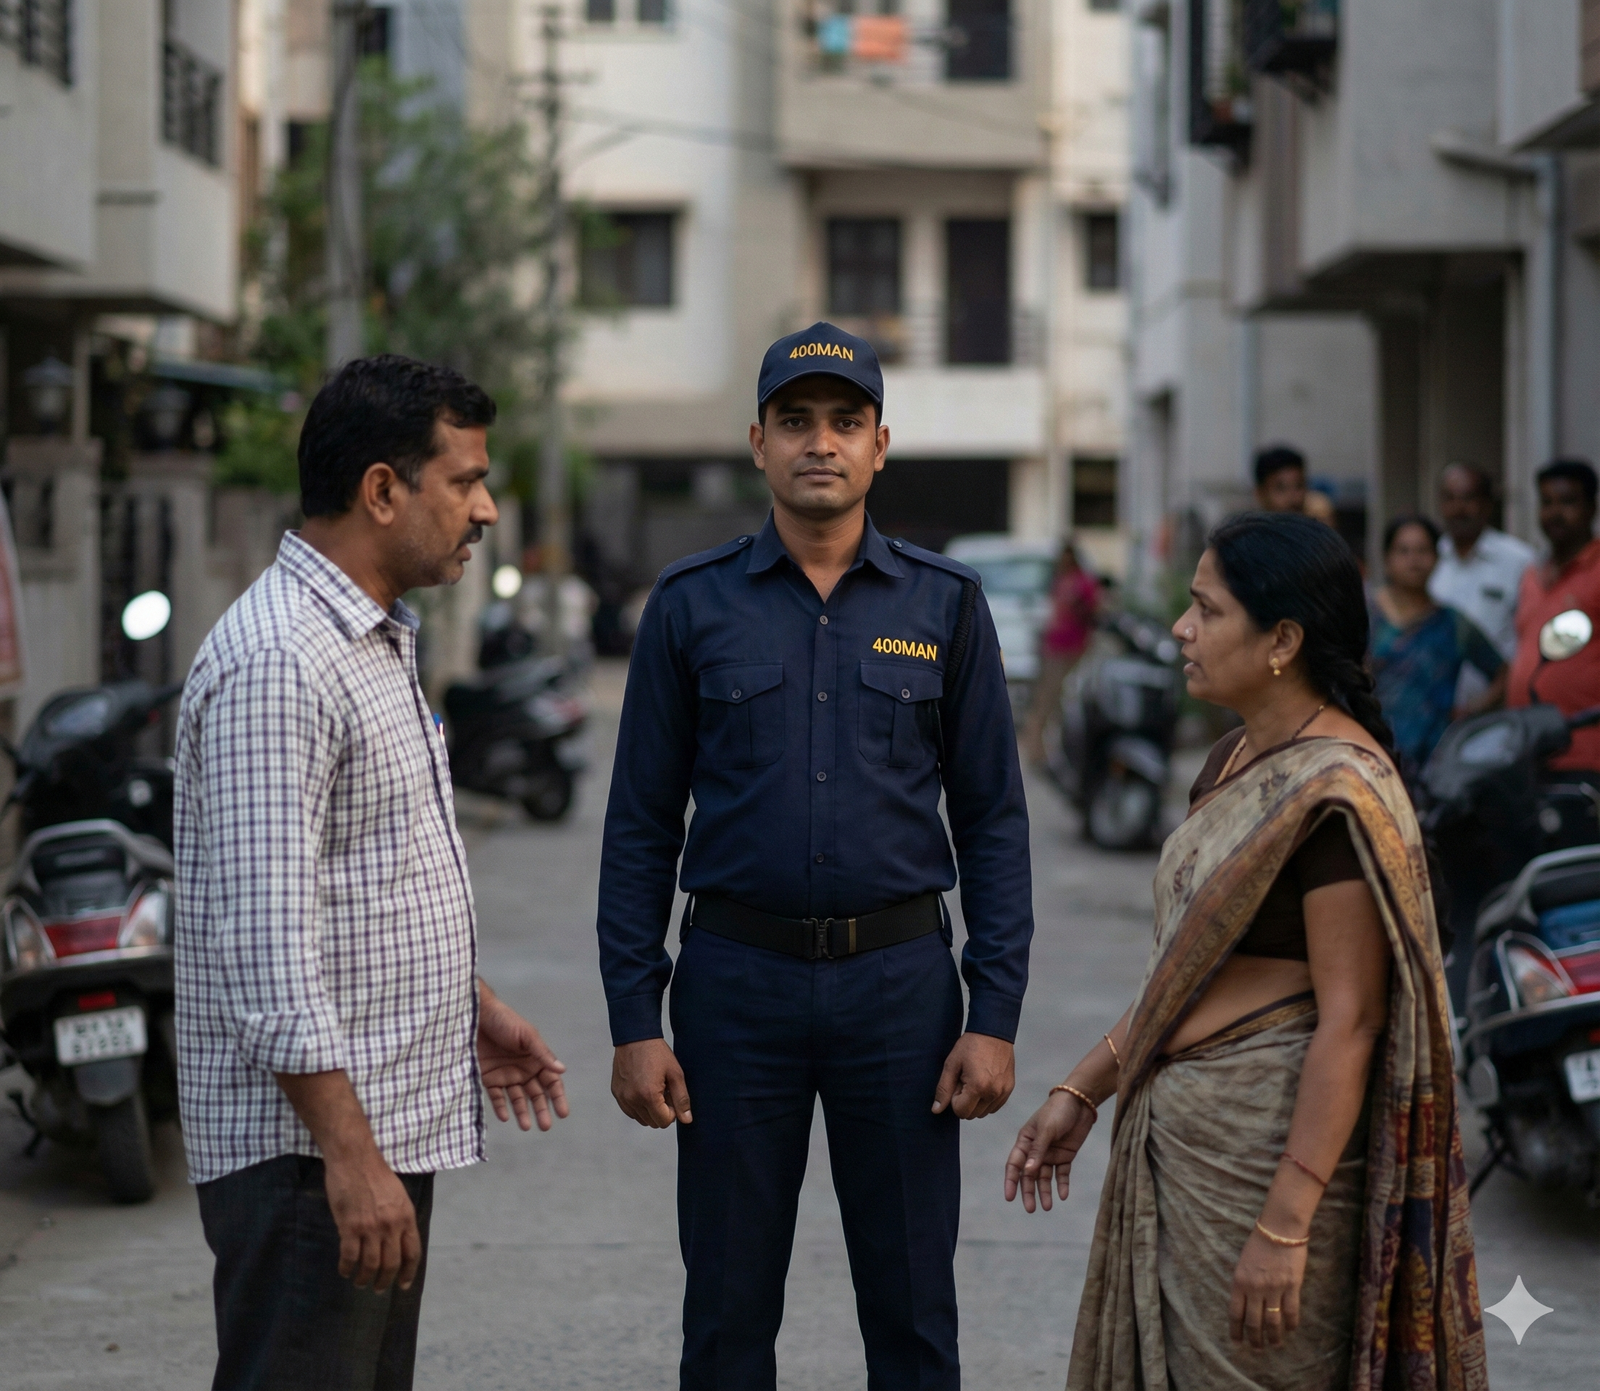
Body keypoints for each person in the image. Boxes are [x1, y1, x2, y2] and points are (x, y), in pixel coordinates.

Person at [597, 321, 1032, 1390]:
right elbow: (640, 825)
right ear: (757, 441)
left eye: (845, 421)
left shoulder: (945, 604)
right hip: (735, 992)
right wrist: (632, 1020)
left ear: (882, 442)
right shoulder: (692, 604)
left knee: (914, 1312)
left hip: (901, 993)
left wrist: (992, 1013)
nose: (820, 443)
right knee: (728, 1315)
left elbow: (993, 821)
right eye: (796, 421)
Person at [1003, 512, 1486, 1391]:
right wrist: (1081, 1087)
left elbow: (1353, 1019)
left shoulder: (1336, 791)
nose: (1182, 629)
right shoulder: (1230, 760)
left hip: (1268, 1169)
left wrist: (1285, 1223)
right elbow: (1189, 972)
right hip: (1187, 1156)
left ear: (1282, 640)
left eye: (1206, 609)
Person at [174, 355, 570, 1391]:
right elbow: (266, 949)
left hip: (364, 1134)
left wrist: (465, 999)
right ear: (382, 489)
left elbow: (364, 876)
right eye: (464, 480)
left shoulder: (369, 636)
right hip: (308, 1157)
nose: (484, 509)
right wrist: (350, 1160)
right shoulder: (281, 660)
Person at [1368, 514, 1505, 782]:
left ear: (1437, 559)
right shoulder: (1364, 614)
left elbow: (1504, 673)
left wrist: (1470, 712)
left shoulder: (1452, 624)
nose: (1414, 560)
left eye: (1422, 551)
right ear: (1387, 558)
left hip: (1433, 767)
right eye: (1403, 551)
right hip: (1370, 756)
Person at [1507, 458, 1600, 773]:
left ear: (1592, 508)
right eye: (1546, 502)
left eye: (1568, 502)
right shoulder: (1532, 575)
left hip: (1586, 756)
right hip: (1528, 756)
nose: (1555, 513)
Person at [1427, 462, 1534, 666]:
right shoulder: (1429, 560)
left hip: (1503, 694)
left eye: (1468, 498)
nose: (1459, 509)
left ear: (1487, 504)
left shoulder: (1519, 560)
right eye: (1450, 498)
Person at [1019, 541, 1099, 764]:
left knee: (1066, 699)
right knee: (1045, 699)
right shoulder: (1060, 580)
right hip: (1055, 648)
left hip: (1075, 648)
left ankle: (1060, 752)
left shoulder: (1083, 583)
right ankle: (1036, 751)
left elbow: (1094, 612)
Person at [1253, 445, 1336, 526]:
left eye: (1299, 486)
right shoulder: (1252, 536)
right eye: (1281, 488)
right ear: (1260, 494)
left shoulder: (1315, 528)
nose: (1293, 497)